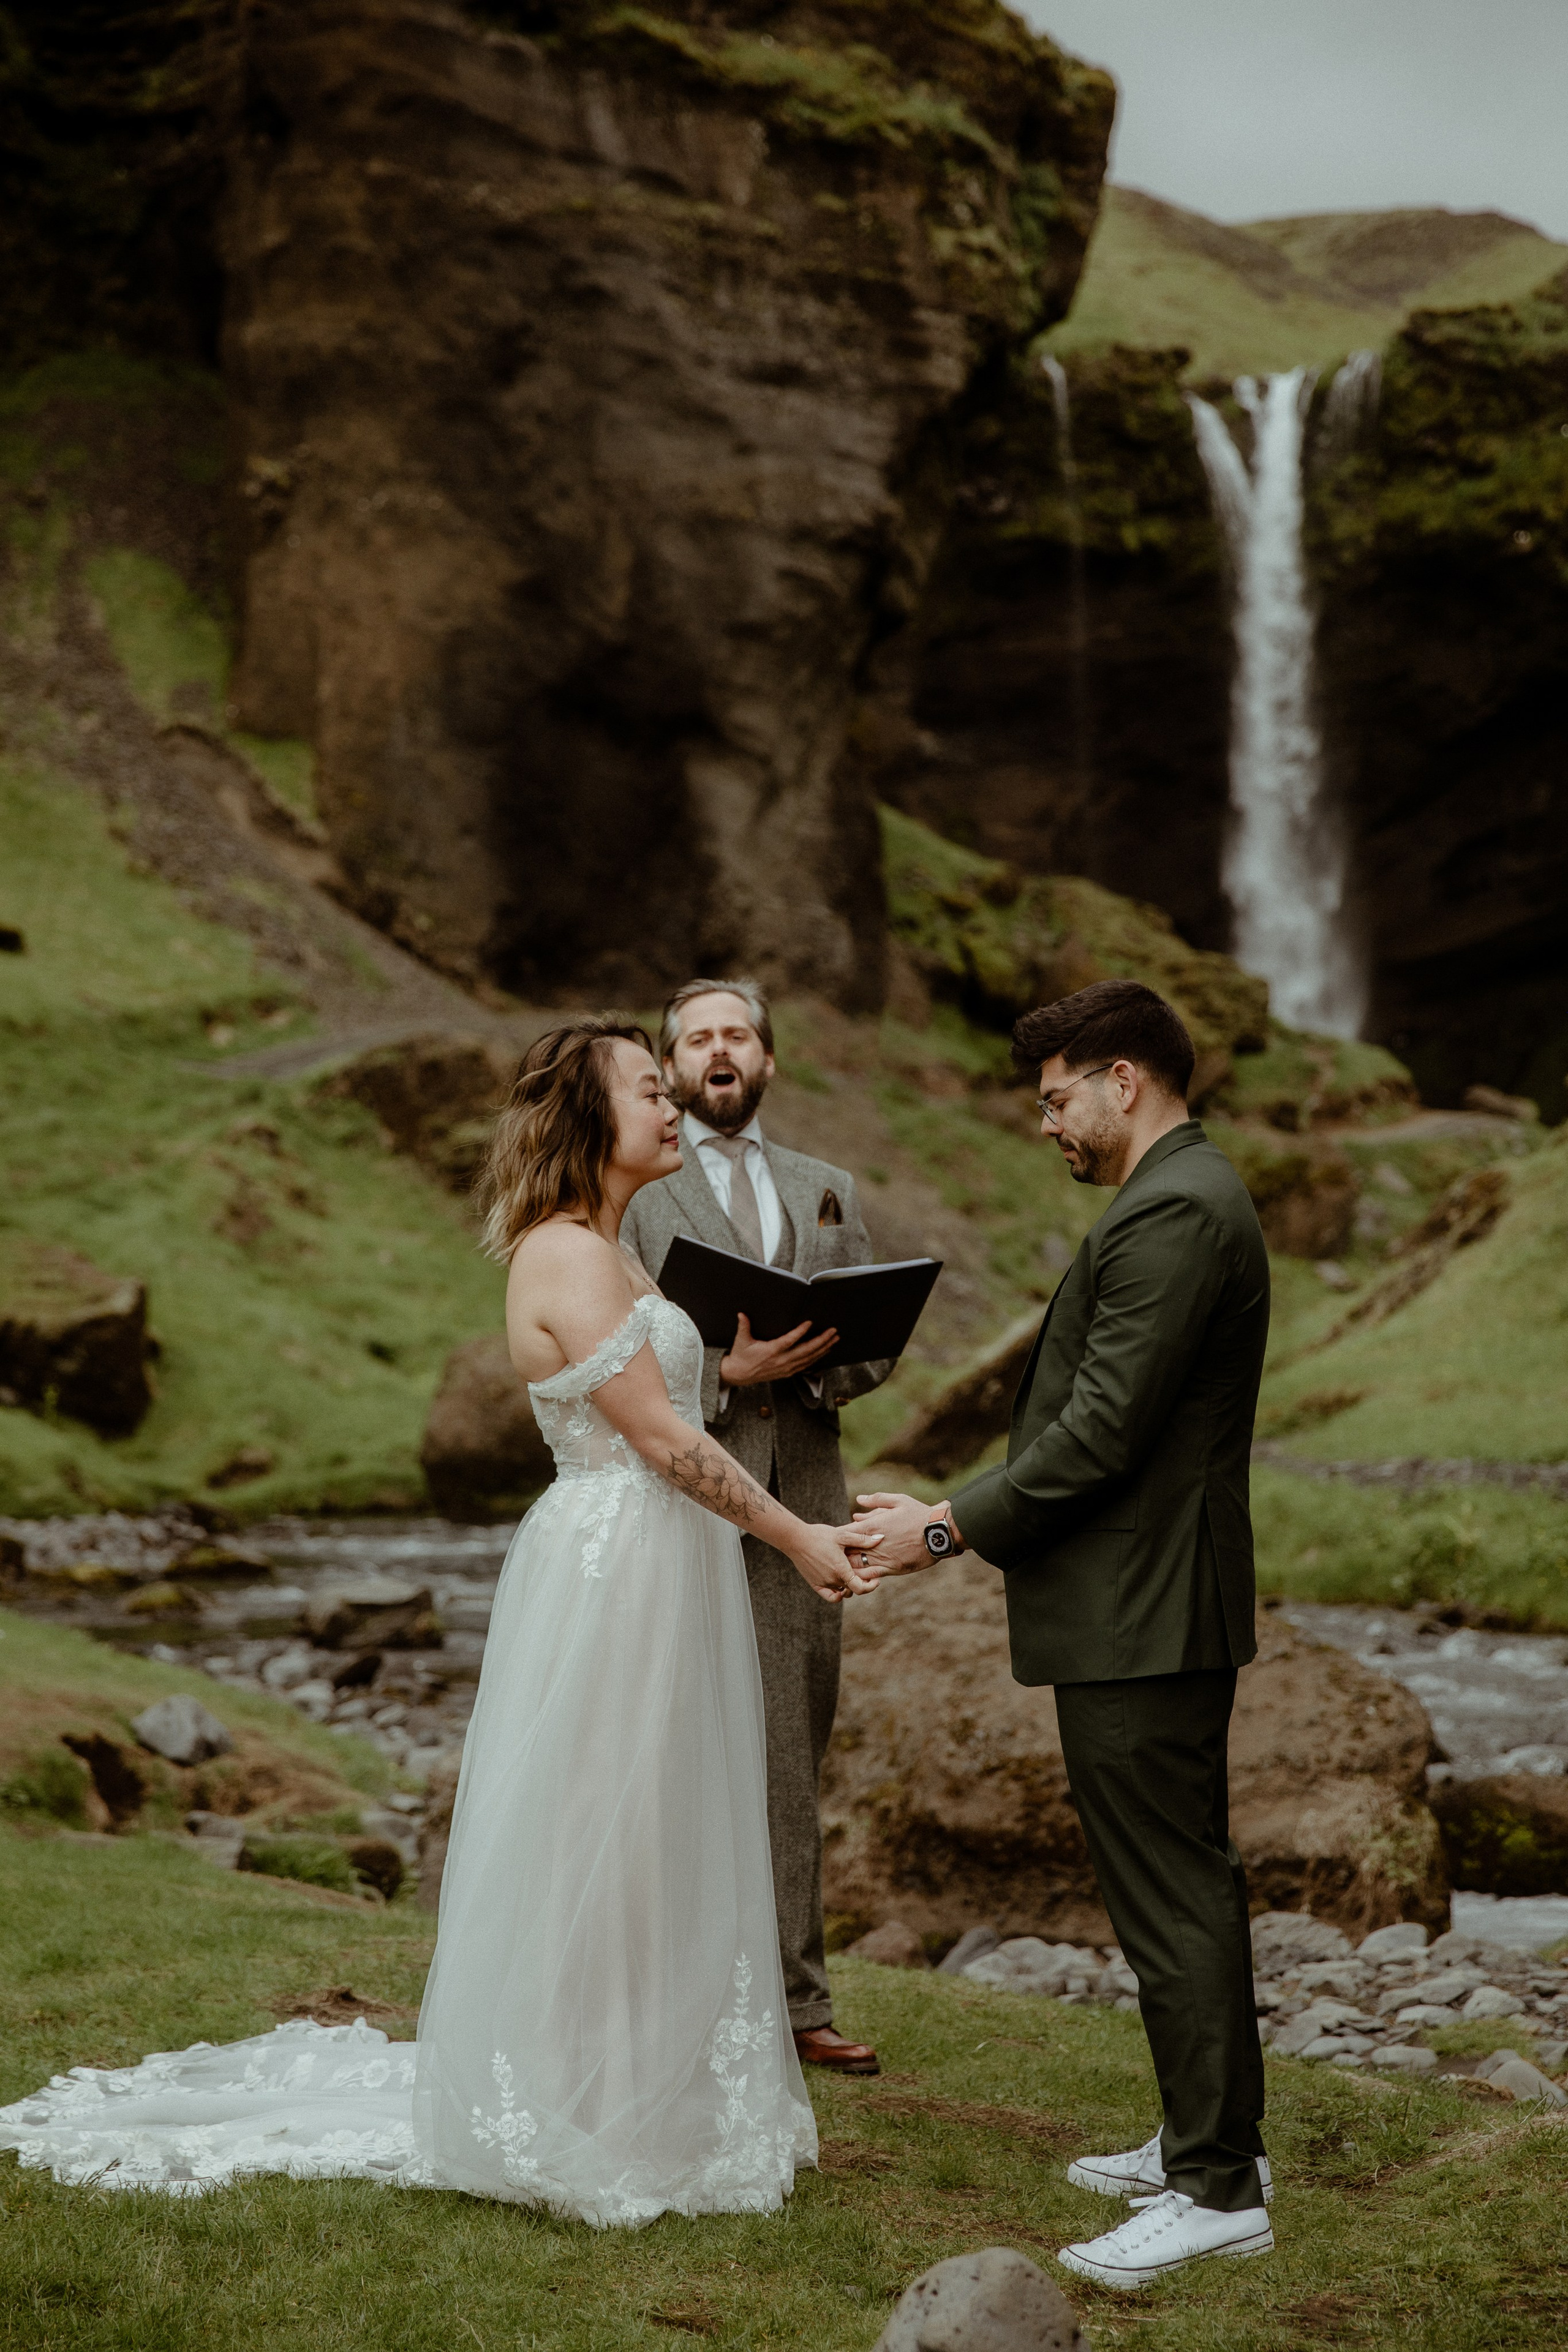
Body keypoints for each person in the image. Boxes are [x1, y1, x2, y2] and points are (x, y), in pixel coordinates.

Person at [0, 1019, 874, 2222]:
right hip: (617, 1566)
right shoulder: (566, 1255)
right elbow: (663, 1444)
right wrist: (797, 1536)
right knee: (603, 1831)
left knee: (651, 1823)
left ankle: (636, 2089)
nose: (672, 1108)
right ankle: (586, 2105)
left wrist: (734, 1375)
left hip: (660, 1563)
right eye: (646, 1090)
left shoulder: (614, 1252)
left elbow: (662, 1395)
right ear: (587, 1121)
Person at [850, 978, 1275, 2291]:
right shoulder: (1177, 1201)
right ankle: (1205, 2147)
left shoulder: (1175, 1212)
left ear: (1123, 1081)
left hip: (1144, 1611)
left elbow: (1100, 1430)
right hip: (1138, 1603)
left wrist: (939, 1528)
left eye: (1055, 1100)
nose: (1048, 1126)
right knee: (1166, 1881)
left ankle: (1213, 2190)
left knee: (1171, 1890)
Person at [620, 978, 894, 2078]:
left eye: (737, 1034)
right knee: (668, 1740)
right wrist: (726, 1381)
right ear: (673, 1069)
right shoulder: (637, 1190)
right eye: (697, 1039)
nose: (718, 1050)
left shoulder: (828, 1190)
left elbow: (879, 1342)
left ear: (768, 1061)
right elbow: (617, 1357)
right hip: (681, 1495)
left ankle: (796, 2003)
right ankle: (668, 1993)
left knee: (791, 1750)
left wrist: (830, 1364)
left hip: (810, 1498)